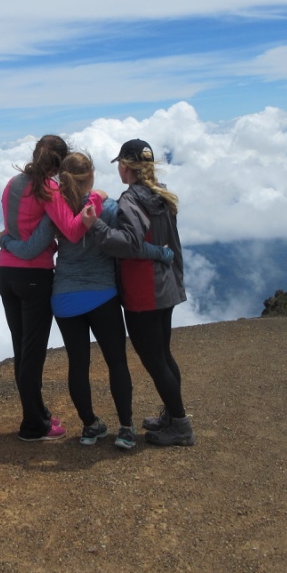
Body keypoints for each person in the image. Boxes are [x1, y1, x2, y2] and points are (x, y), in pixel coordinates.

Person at [0, 152, 173, 450]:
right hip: (102, 294)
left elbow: (32, 247)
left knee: (77, 365)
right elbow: (129, 245)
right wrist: (160, 253)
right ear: (91, 176)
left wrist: (5, 241)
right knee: (116, 362)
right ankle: (126, 429)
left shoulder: (55, 210)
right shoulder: (105, 207)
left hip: (64, 299)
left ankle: (90, 426)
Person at [83, 138, 195, 447]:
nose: (118, 168)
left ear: (126, 166)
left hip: (145, 290)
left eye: (119, 163)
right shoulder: (160, 195)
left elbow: (130, 243)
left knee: (154, 359)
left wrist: (96, 227)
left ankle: (181, 426)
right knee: (163, 354)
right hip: (167, 284)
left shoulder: (131, 199)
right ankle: (173, 416)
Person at [0, 135, 97, 442]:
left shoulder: (12, 183)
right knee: (33, 355)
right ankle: (33, 426)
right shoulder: (48, 189)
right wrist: (94, 201)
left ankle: (38, 415)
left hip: (6, 274)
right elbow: (72, 228)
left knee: (21, 350)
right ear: (59, 164)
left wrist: (7, 241)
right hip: (34, 277)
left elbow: (12, 229)